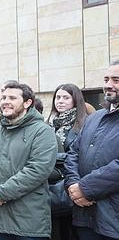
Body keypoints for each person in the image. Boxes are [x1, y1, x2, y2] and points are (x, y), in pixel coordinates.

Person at [0, 82, 58, 240]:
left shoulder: (42, 131)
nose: (5, 101)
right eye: (3, 97)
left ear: (27, 103)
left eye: (12, 98)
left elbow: (37, 170)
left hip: (28, 224)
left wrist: (2, 193)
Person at [64, 61, 119, 240]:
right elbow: (73, 153)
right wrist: (73, 186)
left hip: (113, 218)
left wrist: (85, 188)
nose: (108, 85)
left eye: (116, 80)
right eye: (106, 79)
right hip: (85, 216)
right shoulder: (94, 118)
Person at [46, 83, 87, 240]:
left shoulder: (84, 124)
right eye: (58, 97)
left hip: (72, 187)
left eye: (66, 97)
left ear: (75, 100)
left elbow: (79, 156)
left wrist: (52, 159)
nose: (60, 101)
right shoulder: (47, 124)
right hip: (49, 187)